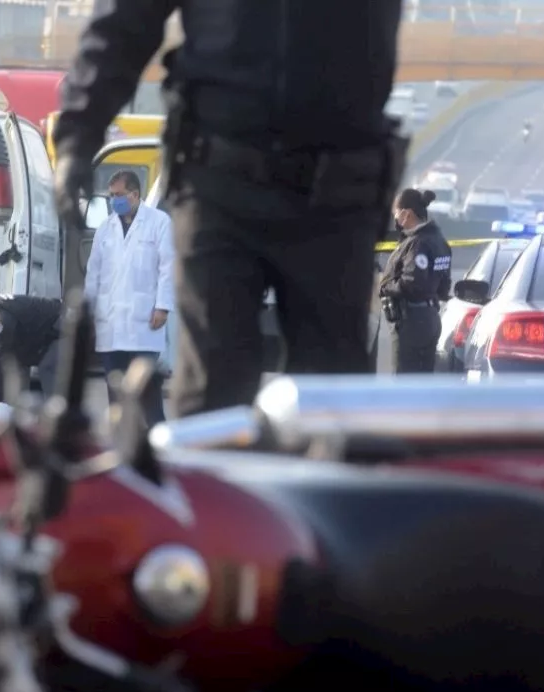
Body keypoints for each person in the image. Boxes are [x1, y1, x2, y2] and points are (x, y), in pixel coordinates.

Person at [52, 0, 407, 419]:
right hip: (220, 187)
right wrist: (78, 135)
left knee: (331, 407)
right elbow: (126, 20)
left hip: (335, 195)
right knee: (212, 397)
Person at [84, 170, 173, 426]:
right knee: (116, 397)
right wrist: (88, 314)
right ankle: (119, 451)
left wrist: (163, 306)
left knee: (147, 395)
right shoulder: (105, 228)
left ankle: (160, 447)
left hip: (144, 322)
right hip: (111, 324)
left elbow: (168, 266)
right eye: (111, 195)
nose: (114, 201)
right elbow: (94, 273)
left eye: (119, 195)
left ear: (135, 194)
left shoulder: (158, 222)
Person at [379, 188, 452, 374]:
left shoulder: (418, 243)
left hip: (412, 322)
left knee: (403, 385)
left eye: (396, 214)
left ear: (407, 214)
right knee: (422, 384)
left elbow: (412, 283)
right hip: (430, 318)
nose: (395, 219)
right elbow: (444, 287)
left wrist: (387, 286)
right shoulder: (439, 241)